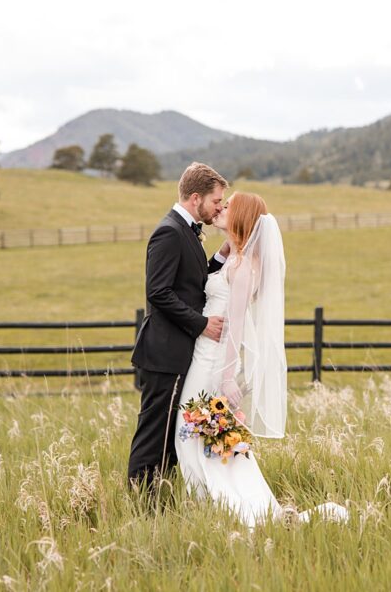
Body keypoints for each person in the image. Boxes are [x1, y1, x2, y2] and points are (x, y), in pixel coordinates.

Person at [174, 191, 348, 527]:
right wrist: (223, 251)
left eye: (229, 206)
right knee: (201, 438)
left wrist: (225, 380)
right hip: (203, 356)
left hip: (213, 363)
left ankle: (236, 510)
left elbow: (235, 329)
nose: (222, 209)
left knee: (197, 436)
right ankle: (214, 506)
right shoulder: (235, 260)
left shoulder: (243, 268)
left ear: (241, 218)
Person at [127, 162, 230, 489]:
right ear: (195, 197)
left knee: (172, 432)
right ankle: (141, 502)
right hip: (163, 352)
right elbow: (158, 292)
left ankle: (162, 493)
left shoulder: (186, 231)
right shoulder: (168, 231)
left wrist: (224, 253)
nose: (219, 209)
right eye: (216, 201)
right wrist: (201, 324)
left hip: (178, 352)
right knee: (154, 432)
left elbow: (193, 281)